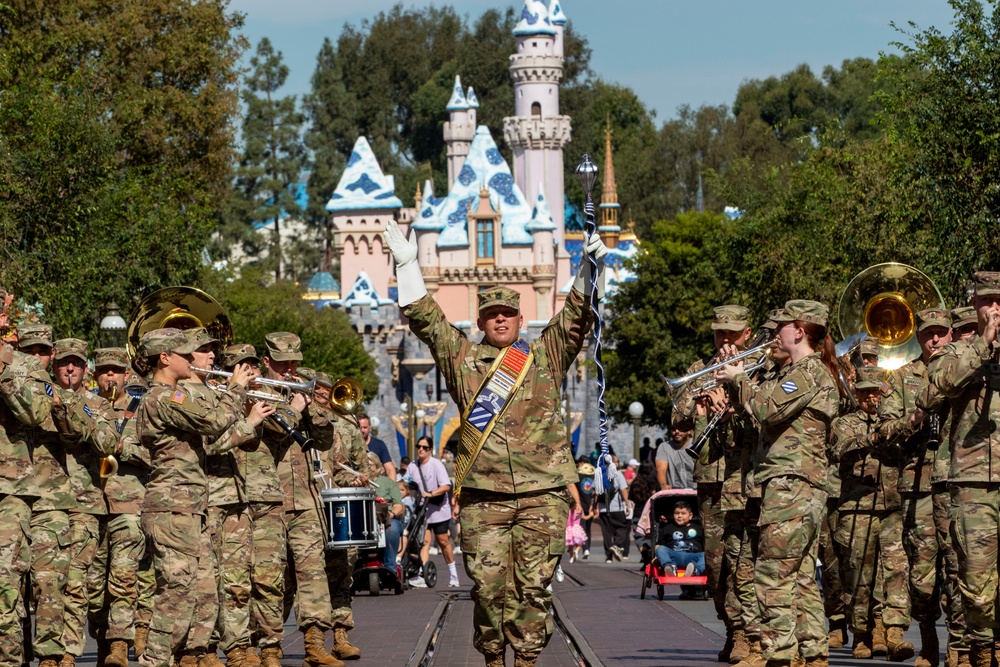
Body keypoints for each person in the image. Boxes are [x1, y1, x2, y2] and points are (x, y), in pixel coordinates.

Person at [384, 218, 604, 667]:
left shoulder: (544, 355)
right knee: (486, 587)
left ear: (521, 319)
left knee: (533, 588)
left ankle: (523, 660)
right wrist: (407, 266)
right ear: (480, 320)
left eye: (507, 313)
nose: (499, 318)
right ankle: (491, 655)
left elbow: (575, 317)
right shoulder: (463, 359)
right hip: (485, 498)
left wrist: (588, 267)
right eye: (490, 314)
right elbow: (427, 321)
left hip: (542, 494)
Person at [716, 300, 840, 667]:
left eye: (780, 328)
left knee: (771, 576)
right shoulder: (804, 372)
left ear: (799, 331)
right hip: (796, 486)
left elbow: (769, 408)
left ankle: (782, 657)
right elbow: (762, 417)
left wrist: (737, 377)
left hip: (792, 485)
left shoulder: (806, 372)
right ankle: (814, 653)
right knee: (799, 578)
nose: (772, 336)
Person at [133, 328, 252, 667]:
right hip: (173, 507)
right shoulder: (163, 396)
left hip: (187, 506)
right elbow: (215, 422)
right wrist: (236, 390)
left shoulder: (171, 394)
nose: (191, 359)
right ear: (164, 358)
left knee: (196, 592)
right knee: (176, 593)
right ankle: (153, 661)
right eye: (185, 354)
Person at [674, 304, 758, 662]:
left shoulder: (759, 368)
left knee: (747, 562)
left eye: (732, 333)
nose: (725, 339)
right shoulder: (699, 370)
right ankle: (729, 627)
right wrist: (699, 404)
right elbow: (677, 418)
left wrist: (737, 397)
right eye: (719, 333)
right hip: (711, 477)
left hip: (748, 476)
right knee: (716, 563)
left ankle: (747, 634)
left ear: (747, 334)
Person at [925, 271, 1000, 667]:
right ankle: (982, 648)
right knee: (975, 578)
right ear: (975, 307)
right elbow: (941, 384)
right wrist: (984, 345)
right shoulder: (957, 351)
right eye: (987, 302)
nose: (994, 309)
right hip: (973, 480)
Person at [879, 308, 954, 664]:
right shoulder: (903, 377)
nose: (935, 340)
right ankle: (928, 641)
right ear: (918, 337)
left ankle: (963, 647)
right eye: (928, 334)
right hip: (920, 486)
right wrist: (916, 419)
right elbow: (884, 428)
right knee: (923, 577)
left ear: (952, 334)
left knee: (962, 569)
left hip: (958, 482)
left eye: (941, 332)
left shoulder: (966, 372)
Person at [830, 366, 909, 660]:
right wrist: (872, 438)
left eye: (876, 391)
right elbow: (839, 449)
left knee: (895, 570)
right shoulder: (845, 422)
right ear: (856, 393)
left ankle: (890, 631)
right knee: (858, 576)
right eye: (864, 391)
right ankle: (860, 634)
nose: (871, 397)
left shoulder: (894, 421)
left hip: (892, 506)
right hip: (856, 508)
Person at [90, 348, 151, 667]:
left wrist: (122, 447)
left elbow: (156, 454)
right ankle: (102, 642)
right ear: (95, 375)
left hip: (129, 505)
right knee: (93, 584)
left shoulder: (142, 409)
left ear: (127, 375)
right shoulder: (86, 406)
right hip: (89, 505)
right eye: (103, 371)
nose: (109, 376)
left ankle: (119, 644)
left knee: (123, 576)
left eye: (115, 370)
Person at [0, 332, 56, 667]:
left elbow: (35, 412)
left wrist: (3, 373)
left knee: (4, 586)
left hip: (8, 490)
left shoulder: (23, 364)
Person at [405, 436, 459, 588]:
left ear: (430, 450)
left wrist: (431, 493)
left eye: (424, 447)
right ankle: (422, 573)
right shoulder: (413, 466)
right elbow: (405, 481)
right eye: (419, 447)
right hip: (422, 510)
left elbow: (446, 486)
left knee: (443, 541)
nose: (421, 450)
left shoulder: (436, 465)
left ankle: (453, 573)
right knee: (425, 542)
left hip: (438, 509)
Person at [366, 452, 404, 572]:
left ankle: (390, 568)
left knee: (392, 528)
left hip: (386, 519)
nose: (368, 468)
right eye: (365, 465)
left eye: (370, 465)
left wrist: (391, 515)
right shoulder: (359, 482)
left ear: (377, 467)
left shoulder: (388, 483)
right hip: (365, 520)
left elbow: (399, 505)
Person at [654, 500, 705, 577]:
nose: (679, 516)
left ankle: (694, 569)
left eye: (683, 513)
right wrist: (657, 556)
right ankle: (670, 567)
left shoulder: (698, 528)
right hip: (674, 556)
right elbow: (659, 545)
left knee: (707, 555)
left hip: (693, 557)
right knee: (660, 549)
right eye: (677, 513)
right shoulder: (667, 528)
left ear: (690, 515)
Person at [597, 454, 629, 563]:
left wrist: (594, 507)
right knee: (622, 527)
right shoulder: (618, 474)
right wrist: (628, 504)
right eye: (617, 461)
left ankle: (608, 557)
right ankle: (616, 545)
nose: (618, 463)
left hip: (602, 508)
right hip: (616, 508)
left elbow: (594, 492)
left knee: (607, 532)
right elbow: (623, 490)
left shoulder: (599, 474)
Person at [655, 423, 695, 490]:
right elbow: (661, 469)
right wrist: (663, 485)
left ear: (689, 431)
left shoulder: (696, 444)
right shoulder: (664, 447)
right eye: (673, 429)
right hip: (675, 492)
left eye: (680, 428)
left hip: (697, 491)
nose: (677, 431)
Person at [358, 413, 396, 481]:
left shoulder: (379, 445)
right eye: (360, 427)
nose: (362, 430)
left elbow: (390, 469)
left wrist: (392, 487)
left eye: (365, 427)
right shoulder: (350, 445)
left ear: (369, 427)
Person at [576, 461, 596, 560]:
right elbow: (595, 492)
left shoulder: (578, 475)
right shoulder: (593, 474)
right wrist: (594, 505)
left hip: (581, 506)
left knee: (582, 528)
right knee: (588, 529)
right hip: (591, 506)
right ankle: (587, 549)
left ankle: (584, 548)